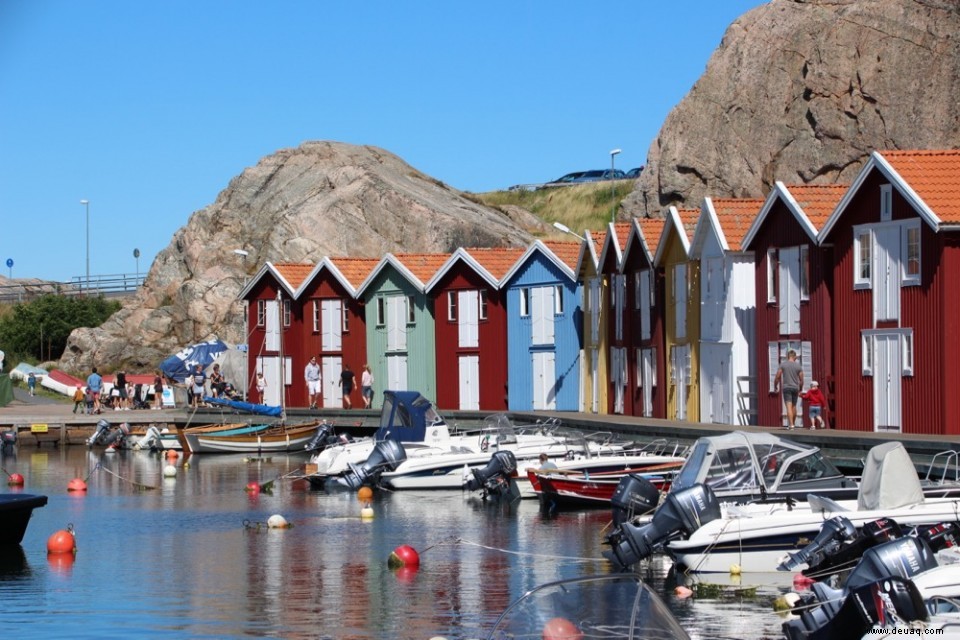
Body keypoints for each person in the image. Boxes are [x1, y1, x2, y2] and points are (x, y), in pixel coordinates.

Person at [773, 350, 804, 430]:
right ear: (795, 357)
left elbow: (777, 376)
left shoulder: (783, 365)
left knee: (788, 406)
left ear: (787, 356)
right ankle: (792, 424)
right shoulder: (798, 366)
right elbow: (801, 380)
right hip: (795, 388)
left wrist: (775, 385)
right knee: (794, 406)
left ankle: (791, 425)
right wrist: (800, 388)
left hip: (787, 387)